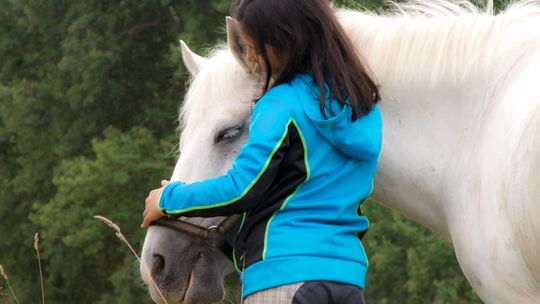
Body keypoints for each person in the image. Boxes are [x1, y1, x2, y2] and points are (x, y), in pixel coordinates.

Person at [142, 0, 382, 303]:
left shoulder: (279, 104)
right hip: (345, 280)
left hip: (282, 277)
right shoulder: (362, 109)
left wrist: (169, 200)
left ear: (286, 41)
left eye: (255, 46)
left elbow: (244, 186)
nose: (250, 56)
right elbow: (300, 193)